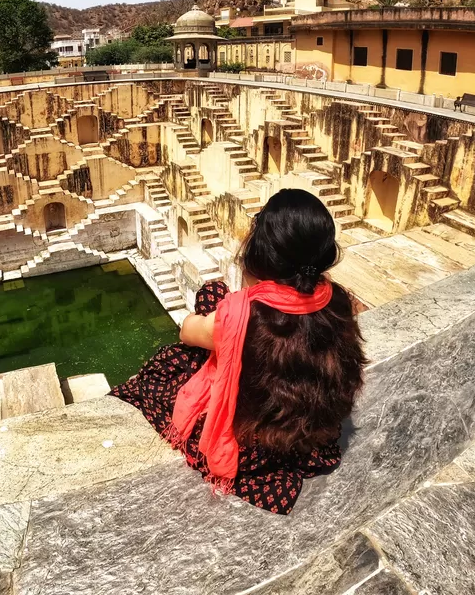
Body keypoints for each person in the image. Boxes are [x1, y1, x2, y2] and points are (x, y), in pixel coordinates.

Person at [112, 189, 367, 515]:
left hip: (254, 444)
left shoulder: (246, 316)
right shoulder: (336, 299)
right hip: (312, 434)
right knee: (221, 310)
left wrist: (229, 311)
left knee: (195, 328)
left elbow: (187, 331)